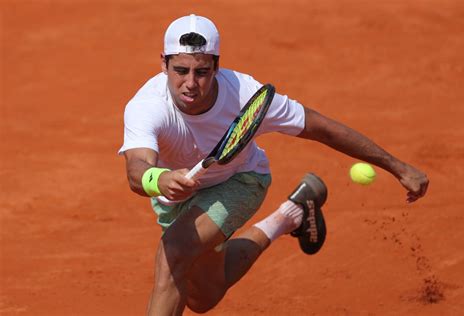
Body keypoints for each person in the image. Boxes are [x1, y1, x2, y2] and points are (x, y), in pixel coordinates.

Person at [119, 14, 429, 316]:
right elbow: (137, 169)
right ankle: (289, 216)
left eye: (201, 72)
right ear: (164, 64)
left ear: (216, 66)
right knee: (203, 298)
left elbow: (322, 128)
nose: (190, 83)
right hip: (177, 193)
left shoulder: (244, 95)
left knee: (174, 251)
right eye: (180, 70)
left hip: (239, 181)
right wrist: (160, 179)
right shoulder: (147, 106)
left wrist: (398, 166)